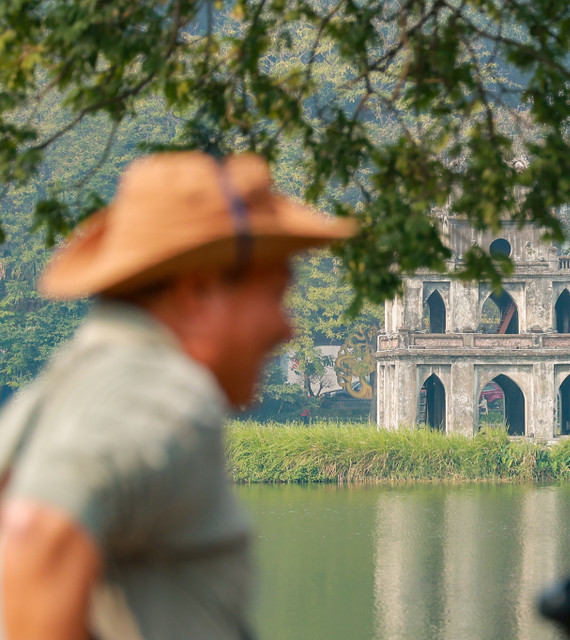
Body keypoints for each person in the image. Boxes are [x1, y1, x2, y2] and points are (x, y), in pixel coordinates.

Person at [0, 151, 355, 639]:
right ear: (198, 292)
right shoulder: (161, 394)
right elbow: (37, 535)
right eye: (275, 294)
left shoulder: (60, 392)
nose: (285, 327)